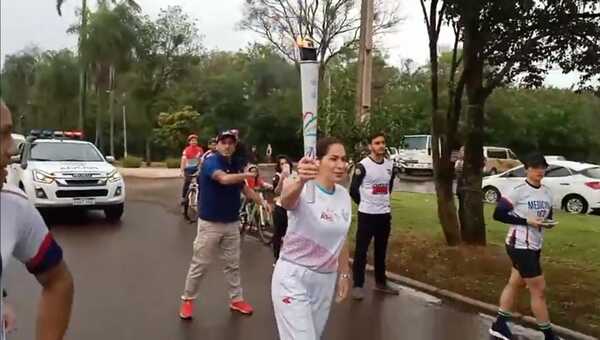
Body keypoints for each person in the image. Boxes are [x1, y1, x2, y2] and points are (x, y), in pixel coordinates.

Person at [1, 100, 74, 340]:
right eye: (0, 135)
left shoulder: (13, 205)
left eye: (9, 133)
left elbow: (58, 281)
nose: (12, 148)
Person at [179, 130, 271, 319]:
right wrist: (247, 174)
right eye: (224, 142)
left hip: (231, 223)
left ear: (235, 145)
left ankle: (236, 299)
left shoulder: (234, 163)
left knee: (232, 264)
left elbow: (243, 187)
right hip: (210, 224)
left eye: (231, 142)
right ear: (217, 144)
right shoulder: (211, 161)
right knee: (200, 264)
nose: (227, 145)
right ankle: (188, 300)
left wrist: (261, 202)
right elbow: (224, 179)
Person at [272, 137, 352, 340]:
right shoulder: (302, 187)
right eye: (333, 158)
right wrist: (300, 179)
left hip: (325, 279)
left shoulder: (343, 196)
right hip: (293, 276)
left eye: (344, 159)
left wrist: (344, 272)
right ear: (318, 160)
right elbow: (287, 201)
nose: (341, 165)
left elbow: (341, 236)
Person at [489, 152, 559, 340]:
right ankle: (548, 335)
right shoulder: (518, 190)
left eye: (542, 168)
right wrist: (527, 221)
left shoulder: (546, 192)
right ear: (527, 169)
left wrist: (547, 222)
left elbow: (546, 216)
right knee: (539, 290)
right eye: (535, 167)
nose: (539, 171)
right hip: (519, 245)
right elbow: (499, 214)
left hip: (535, 245)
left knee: (515, 283)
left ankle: (499, 325)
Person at [349, 133, 399, 300]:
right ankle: (357, 285)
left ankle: (381, 282)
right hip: (367, 215)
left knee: (381, 250)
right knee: (361, 251)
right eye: (377, 143)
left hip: (384, 215)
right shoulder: (363, 166)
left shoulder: (389, 165)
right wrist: (365, 203)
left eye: (383, 143)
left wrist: (381, 202)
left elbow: (388, 186)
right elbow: (353, 190)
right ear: (370, 146)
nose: (381, 146)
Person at [271, 155, 294, 261]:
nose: (284, 165)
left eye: (286, 163)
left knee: (291, 232)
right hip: (281, 207)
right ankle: (277, 256)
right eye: (281, 164)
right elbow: (276, 191)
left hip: (292, 208)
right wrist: (282, 178)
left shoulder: (295, 175)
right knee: (278, 233)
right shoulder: (277, 176)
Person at [180, 134, 204, 219]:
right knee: (187, 182)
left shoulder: (200, 150)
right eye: (192, 140)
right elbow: (183, 160)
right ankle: (184, 198)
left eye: (195, 140)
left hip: (196, 169)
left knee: (200, 183)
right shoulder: (186, 150)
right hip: (188, 169)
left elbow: (201, 160)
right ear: (189, 142)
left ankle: (200, 199)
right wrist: (182, 171)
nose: (194, 142)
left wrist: (201, 169)